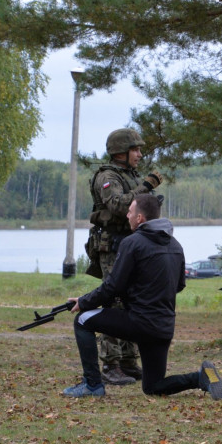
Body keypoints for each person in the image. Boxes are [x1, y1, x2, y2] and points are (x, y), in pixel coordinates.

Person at [62, 194, 222, 400]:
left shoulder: (132, 243)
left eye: (130, 212)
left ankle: (93, 384)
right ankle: (199, 378)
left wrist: (84, 302)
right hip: (163, 327)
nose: (127, 216)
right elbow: (179, 285)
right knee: (153, 386)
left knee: (82, 320)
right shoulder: (176, 246)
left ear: (140, 218)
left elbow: (113, 286)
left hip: (139, 323)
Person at [86, 128, 164, 386]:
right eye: (136, 150)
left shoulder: (129, 175)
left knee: (133, 302)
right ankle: (110, 364)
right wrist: (146, 187)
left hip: (131, 244)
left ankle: (129, 362)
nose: (140, 155)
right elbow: (119, 206)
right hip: (113, 246)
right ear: (121, 152)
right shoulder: (108, 177)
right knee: (113, 301)